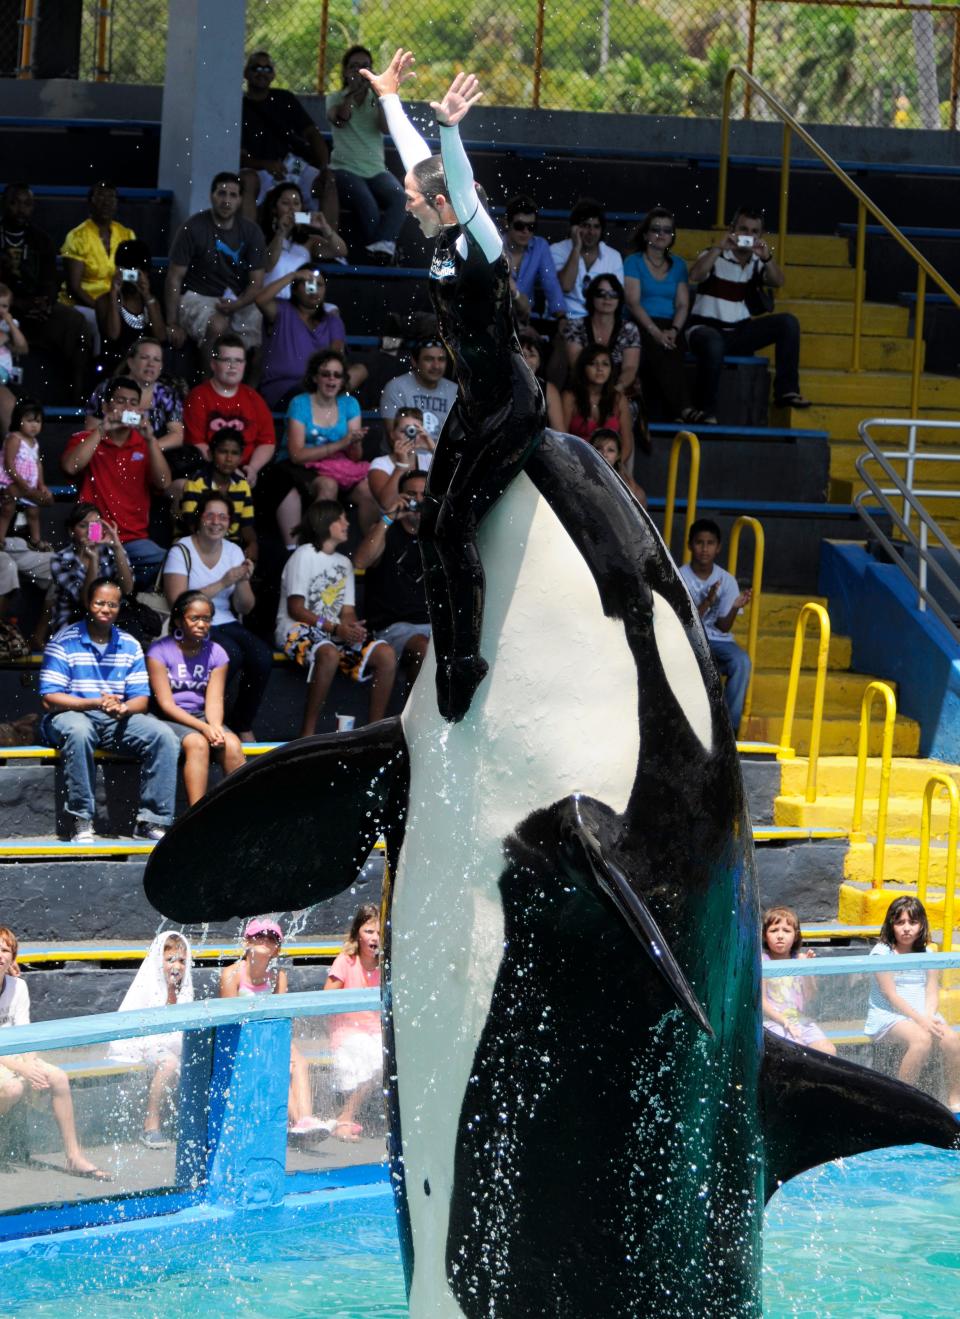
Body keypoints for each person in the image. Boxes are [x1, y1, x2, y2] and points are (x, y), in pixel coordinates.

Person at [362, 52, 545, 721]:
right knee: (431, 519)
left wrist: (449, 130)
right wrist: (389, 100)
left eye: (414, 197)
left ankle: (467, 657)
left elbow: (454, 181)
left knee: (453, 518)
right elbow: (421, 167)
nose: (405, 200)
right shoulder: (438, 219)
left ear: (441, 204)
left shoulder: (478, 239)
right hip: (474, 402)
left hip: (510, 408)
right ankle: (449, 639)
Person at [38, 577, 178, 841]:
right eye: (100, 603)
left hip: (114, 717)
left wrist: (123, 708)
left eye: (112, 604)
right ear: (88, 604)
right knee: (79, 731)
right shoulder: (64, 641)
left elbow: (141, 700)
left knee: (164, 736)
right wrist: (94, 703)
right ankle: (81, 819)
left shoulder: (129, 644)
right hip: (71, 715)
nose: (106, 609)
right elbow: (49, 698)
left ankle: (151, 821)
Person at [275, 500, 394, 738]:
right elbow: (296, 608)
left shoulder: (344, 563)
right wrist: (334, 627)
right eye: (341, 518)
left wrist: (352, 628)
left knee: (386, 655)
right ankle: (307, 733)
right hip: (296, 629)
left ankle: (373, 732)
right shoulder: (304, 554)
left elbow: (347, 611)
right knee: (328, 652)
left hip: (332, 632)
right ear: (325, 522)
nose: (346, 523)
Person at [0, 924, 110, 1178]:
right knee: (13, 1087)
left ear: (13, 958)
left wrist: (32, 1063)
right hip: (6, 1060)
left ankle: (74, 1156)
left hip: (15, 1055)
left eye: (6, 950)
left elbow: (24, 1034)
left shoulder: (19, 988)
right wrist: (23, 1069)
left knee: (57, 1076)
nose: (0, 955)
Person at [162, 491, 270, 743]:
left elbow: (245, 607)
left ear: (230, 522)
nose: (216, 521)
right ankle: (202, 714)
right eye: (210, 515)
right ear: (199, 519)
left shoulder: (233, 550)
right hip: (194, 621)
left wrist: (242, 580)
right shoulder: (182, 549)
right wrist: (223, 581)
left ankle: (241, 723)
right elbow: (178, 602)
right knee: (230, 652)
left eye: (223, 516)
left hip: (226, 619)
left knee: (262, 656)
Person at [686, 206, 810, 424]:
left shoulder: (756, 262)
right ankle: (705, 411)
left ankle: (786, 391)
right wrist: (718, 248)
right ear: (732, 229)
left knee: (788, 323)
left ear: (760, 236)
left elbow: (778, 281)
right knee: (714, 344)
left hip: (738, 332)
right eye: (743, 229)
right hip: (704, 330)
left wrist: (767, 257)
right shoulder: (713, 254)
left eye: (754, 231)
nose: (748, 235)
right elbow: (695, 275)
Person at [219, 918, 332, 1136]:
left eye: (272, 938)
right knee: (277, 1063)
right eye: (259, 935)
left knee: (299, 1060)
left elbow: (281, 1019)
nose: (265, 940)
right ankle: (298, 1120)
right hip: (243, 1039)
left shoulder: (278, 976)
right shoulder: (232, 974)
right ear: (246, 942)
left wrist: (278, 1045)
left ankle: (305, 1119)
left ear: (276, 949)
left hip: (268, 1036)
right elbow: (229, 1022)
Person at [61, 375, 173, 590]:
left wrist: (151, 440)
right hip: (95, 535)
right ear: (105, 406)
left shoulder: (144, 444)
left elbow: (163, 483)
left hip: (134, 540)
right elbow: (70, 467)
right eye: (120, 401)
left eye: (133, 403)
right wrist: (102, 430)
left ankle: (125, 597)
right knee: (98, 571)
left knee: (172, 562)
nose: (126, 407)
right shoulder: (87, 438)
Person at [147, 590, 245, 805]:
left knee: (232, 743)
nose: (201, 624)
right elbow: (166, 704)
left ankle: (241, 812)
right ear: (179, 621)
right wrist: (204, 729)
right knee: (198, 743)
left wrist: (216, 727)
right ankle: (196, 816)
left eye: (206, 619)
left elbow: (214, 699)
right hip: (167, 718)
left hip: (202, 715)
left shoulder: (217, 652)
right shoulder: (159, 651)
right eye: (194, 618)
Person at [864, 896, 960, 1109]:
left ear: (921, 924)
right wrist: (921, 1021)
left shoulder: (928, 953)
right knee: (921, 1039)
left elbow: (931, 990)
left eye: (912, 922)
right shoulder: (882, 952)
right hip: (889, 1015)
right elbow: (891, 994)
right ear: (891, 925)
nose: (906, 928)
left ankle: (955, 1100)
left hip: (923, 1014)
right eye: (900, 922)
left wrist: (928, 1016)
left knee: (953, 1040)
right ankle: (902, 1100)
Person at [0, 183, 93, 401]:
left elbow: (51, 279)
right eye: (14, 203)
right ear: (4, 204)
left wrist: (46, 303)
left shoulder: (41, 240)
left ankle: (77, 396)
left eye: (27, 204)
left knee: (76, 323)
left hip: (37, 310)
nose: (20, 209)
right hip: (5, 308)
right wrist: (19, 305)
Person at [165, 174, 266, 364]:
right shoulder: (193, 227)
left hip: (238, 298)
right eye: (222, 193)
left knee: (269, 324)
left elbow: (256, 283)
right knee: (218, 324)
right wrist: (171, 323)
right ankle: (208, 383)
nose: (226, 200)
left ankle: (250, 388)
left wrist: (238, 304)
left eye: (233, 195)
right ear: (212, 196)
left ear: (240, 200)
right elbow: (174, 278)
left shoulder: (252, 232)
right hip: (197, 296)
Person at [109, 931, 194, 1148]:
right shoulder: (148, 986)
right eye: (169, 960)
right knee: (169, 1063)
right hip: (146, 1043)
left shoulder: (185, 990)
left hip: (172, 1046)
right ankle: (151, 1123)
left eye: (182, 961)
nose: (176, 966)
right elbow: (138, 1026)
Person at [281, 348, 377, 533]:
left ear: (343, 380)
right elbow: (296, 455)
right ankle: (318, 547)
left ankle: (368, 553)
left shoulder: (350, 404)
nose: (332, 379)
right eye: (326, 374)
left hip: (338, 465)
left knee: (368, 490)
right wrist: (341, 443)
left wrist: (355, 442)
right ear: (315, 377)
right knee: (328, 485)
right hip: (300, 467)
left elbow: (355, 457)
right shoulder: (299, 403)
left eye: (337, 375)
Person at [327, 45, 407, 265]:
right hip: (344, 169)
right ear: (344, 72)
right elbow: (340, 118)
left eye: (365, 66)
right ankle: (383, 253)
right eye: (354, 67)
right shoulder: (335, 98)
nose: (360, 71)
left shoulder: (378, 100)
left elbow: (385, 127)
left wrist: (379, 95)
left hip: (376, 170)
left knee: (400, 197)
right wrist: (353, 94)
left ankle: (378, 250)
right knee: (367, 203)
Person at [354, 468, 431, 688]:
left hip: (429, 625)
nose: (417, 501)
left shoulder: (437, 535)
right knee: (423, 649)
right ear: (400, 497)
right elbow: (360, 562)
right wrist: (388, 517)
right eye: (411, 495)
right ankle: (412, 719)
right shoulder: (385, 530)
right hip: (391, 627)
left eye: (424, 495)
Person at [623, 207, 699, 424]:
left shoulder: (679, 265)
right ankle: (683, 408)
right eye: (656, 229)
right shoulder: (633, 262)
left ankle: (676, 412)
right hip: (641, 322)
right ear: (645, 233)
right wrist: (656, 332)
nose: (661, 234)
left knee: (672, 346)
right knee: (657, 345)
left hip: (670, 325)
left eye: (667, 230)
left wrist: (674, 330)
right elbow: (633, 302)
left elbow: (683, 305)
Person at [240, 50, 336, 220]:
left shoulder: (284, 99)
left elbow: (312, 134)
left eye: (267, 69)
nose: (262, 73)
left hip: (292, 166)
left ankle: (327, 242)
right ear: (245, 73)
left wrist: (323, 168)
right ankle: (253, 242)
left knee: (328, 182)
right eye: (256, 68)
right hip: (259, 170)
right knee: (248, 181)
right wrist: (264, 164)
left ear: (274, 74)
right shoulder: (238, 105)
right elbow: (235, 154)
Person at [678, 518, 752, 736]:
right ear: (690, 545)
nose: (704, 548)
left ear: (718, 547)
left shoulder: (727, 580)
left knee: (742, 662)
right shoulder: (679, 576)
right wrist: (708, 600)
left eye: (710, 543)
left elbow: (723, 627)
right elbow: (687, 625)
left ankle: (729, 729)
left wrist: (734, 607)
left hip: (719, 642)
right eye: (700, 542)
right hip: (691, 641)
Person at [84, 337, 188, 476]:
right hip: (111, 456)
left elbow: (177, 435)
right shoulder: (107, 388)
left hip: (154, 459)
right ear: (131, 362)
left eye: (156, 360)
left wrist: (146, 449)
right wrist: (126, 452)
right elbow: (90, 429)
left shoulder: (168, 394)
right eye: (145, 357)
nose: (151, 364)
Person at [181, 334, 276, 488]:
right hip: (210, 467)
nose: (233, 366)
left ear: (245, 365)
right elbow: (196, 443)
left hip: (249, 469)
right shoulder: (198, 396)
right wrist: (229, 470)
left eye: (238, 361)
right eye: (226, 360)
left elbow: (267, 442)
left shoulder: (254, 398)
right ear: (213, 364)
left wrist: (252, 468)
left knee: (287, 490)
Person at [323, 903, 383, 1142]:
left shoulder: (386, 964)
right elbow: (327, 996)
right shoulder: (346, 961)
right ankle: (345, 1118)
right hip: (347, 1031)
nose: (375, 938)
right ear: (358, 933)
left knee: (386, 1052)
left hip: (375, 1031)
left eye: (379, 933)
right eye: (369, 931)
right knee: (376, 1054)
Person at [257, 265, 349, 409]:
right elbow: (260, 300)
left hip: (319, 385)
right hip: (281, 390)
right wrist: (293, 276)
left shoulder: (332, 321)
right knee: (311, 397)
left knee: (358, 372)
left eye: (319, 285)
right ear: (294, 289)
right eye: (308, 283)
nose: (314, 289)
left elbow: (336, 355)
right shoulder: (281, 310)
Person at [59, 181, 136, 352]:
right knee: (96, 323)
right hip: (83, 304)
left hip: (116, 302)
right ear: (90, 202)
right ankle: (97, 371)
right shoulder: (77, 236)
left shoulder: (127, 234)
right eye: (100, 196)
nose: (106, 202)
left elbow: (133, 276)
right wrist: (104, 309)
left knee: (138, 320)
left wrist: (119, 305)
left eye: (111, 197)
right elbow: (74, 287)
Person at [761, 906, 836, 1056]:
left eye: (786, 931)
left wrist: (807, 970)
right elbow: (762, 1003)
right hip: (773, 1022)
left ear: (795, 936)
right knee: (799, 1051)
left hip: (800, 1020)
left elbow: (810, 997)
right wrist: (784, 1021)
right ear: (764, 935)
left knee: (829, 1051)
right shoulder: (763, 961)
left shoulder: (799, 959)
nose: (780, 936)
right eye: (774, 930)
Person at [49, 502, 134, 634]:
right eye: (83, 526)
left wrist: (117, 547)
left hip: (108, 617)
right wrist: (93, 559)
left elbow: (127, 589)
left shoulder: (110, 550)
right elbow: (87, 603)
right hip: (73, 620)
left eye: (94, 525)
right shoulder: (60, 560)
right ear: (72, 531)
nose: (89, 530)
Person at [561, 273, 641, 406]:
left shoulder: (629, 329)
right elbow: (576, 365)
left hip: (619, 391)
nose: (607, 298)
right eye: (600, 293)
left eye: (613, 294)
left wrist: (615, 391)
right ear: (591, 297)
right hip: (582, 389)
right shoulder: (575, 326)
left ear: (619, 298)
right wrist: (594, 395)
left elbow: (630, 368)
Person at [180, 431, 258, 561]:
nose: (229, 459)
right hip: (200, 543)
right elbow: (192, 526)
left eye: (234, 453)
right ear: (210, 455)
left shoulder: (242, 485)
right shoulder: (196, 483)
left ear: (240, 458)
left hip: (231, 545)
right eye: (223, 452)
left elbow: (247, 525)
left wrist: (252, 543)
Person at [94, 238, 166, 373]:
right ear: (118, 270)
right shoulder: (104, 301)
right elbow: (112, 335)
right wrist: (114, 293)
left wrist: (147, 295)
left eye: (137, 273)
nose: (132, 278)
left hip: (147, 370)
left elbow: (161, 337)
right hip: (114, 369)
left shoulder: (151, 301)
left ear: (147, 273)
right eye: (128, 272)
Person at [258, 182, 346, 292]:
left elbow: (340, 251)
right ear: (274, 209)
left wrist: (325, 227)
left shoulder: (310, 241)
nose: (292, 209)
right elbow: (268, 265)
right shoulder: (260, 236)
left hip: (299, 303)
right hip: (269, 302)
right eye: (285, 203)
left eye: (296, 203)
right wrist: (281, 232)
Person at [550, 197, 624, 322]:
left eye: (596, 227)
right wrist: (576, 248)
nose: (591, 232)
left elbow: (616, 298)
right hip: (564, 321)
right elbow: (565, 286)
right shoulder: (557, 250)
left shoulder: (613, 256)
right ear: (574, 228)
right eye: (585, 226)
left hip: (599, 322)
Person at [561, 344, 635, 468]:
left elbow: (627, 442)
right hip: (575, 465)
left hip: (612, 467)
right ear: (583, 368)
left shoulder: (619, 399)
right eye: (593, 363)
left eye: (605, 364)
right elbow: (561, 437)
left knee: (635, 488)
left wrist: (615, 466)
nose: (600, 368)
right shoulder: (569, 397)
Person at [502, 194, 567, 326]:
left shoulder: (540, 246)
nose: (526, 231)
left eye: (531, 227)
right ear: (507, 223)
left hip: (525, 318)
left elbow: (551, 284)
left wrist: (561, 318)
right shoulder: (495, 245)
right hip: (497, 318)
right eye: (519, 226)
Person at [377, 338, 458, 441]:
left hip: (442, 456)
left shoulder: (455, 391)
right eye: (429, 359)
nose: (436, 366)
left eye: (441, 359)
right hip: (405, 453)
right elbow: (395, 440)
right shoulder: (396, 387)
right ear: (414, 361)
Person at [0, 398, 52, 549]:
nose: (34, 425)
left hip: (28, 484)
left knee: (34, 511)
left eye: (38, 421)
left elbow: (38, 464)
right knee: (7, 509)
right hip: (11, 481)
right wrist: (20, 483)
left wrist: (41, 484)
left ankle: (35, 541)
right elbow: (8, 464)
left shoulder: (34, 443)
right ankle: (0, 538)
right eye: (30, 421)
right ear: (18, 420)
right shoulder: (14, 438)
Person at [367, 406, 435, 510]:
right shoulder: (380, 464)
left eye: (414, 431)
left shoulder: (429, 459)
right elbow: (387, 504)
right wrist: (401, 465)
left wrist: (433, 448)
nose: (409, 435)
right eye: (404, 431)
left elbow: (456, 481)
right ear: (392, 435)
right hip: (395, 522)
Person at [517, 330, 564, 430]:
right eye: (522, 355)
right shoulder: (503, 387)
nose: (526, 361)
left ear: (539, 361)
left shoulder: (549, 390)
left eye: (532, 355)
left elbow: (560, 433)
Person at [0, 280, 29, 435]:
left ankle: (9, 448)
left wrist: (10, 325)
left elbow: (22, 347)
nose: (1, 310)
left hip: (3, 377)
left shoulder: (7, 325)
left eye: (4, 306)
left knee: (9, 404)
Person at [589, 427, 646, 506]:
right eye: (598, 448)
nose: (604, 454)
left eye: (610, 450)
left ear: (618, 455)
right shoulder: (578, 476)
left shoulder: (628, 486)